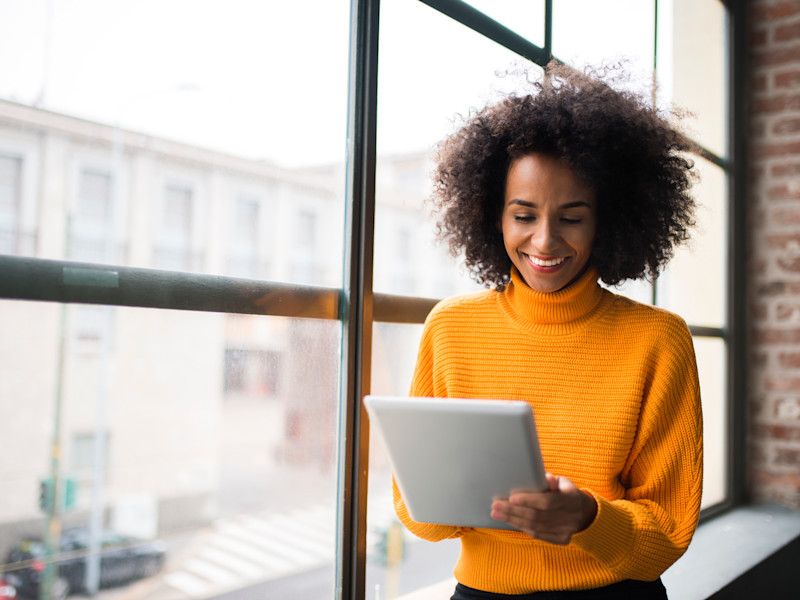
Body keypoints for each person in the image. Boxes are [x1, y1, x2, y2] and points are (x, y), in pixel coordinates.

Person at [393, 62, 703, 600]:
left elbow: (667, 536)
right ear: (493, 216)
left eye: (573, 217)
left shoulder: (658, 340)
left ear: (608, 220)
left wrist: (588, 518)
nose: (544, 240)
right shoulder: (451, 328)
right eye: (523, 215)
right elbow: (423, 520)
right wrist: (444, 500)